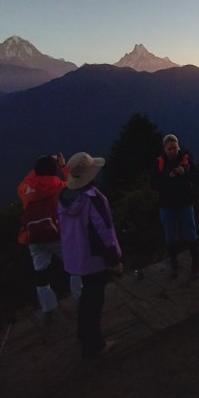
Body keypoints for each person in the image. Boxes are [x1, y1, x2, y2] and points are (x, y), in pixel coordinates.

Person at [59, 152, 123, 357]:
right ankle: (94, 345)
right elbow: (104, 231)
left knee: (87, 294)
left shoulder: (64, 198)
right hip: (94, 257)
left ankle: (83, 333)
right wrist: (114, 259)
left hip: (76, 256)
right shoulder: (93, 199)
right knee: (94, 299)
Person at [17, 153, 82, 321]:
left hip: (33, 237)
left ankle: (48, 308)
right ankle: (81, 298)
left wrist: (38, 167)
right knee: (75, 264)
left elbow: (26, 180)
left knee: (41, 273)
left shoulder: (25, 189)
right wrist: (63, 166)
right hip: (55, 234)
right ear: (53, 171)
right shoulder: (58, 186)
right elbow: (75, 185)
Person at [150, 134, 199, 279]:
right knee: (170, 238)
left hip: (185, 205)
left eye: (175, 148)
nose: (173, 151)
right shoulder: (159, 163)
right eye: (170, 148)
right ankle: (174, 264)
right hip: (167, 207)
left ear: (178, 146)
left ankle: (196, 264)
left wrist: (185, 173)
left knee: (191, 236)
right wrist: (168, 176)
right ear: (164, 149)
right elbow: (153, 184)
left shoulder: (186, 160)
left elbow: (198, 177)